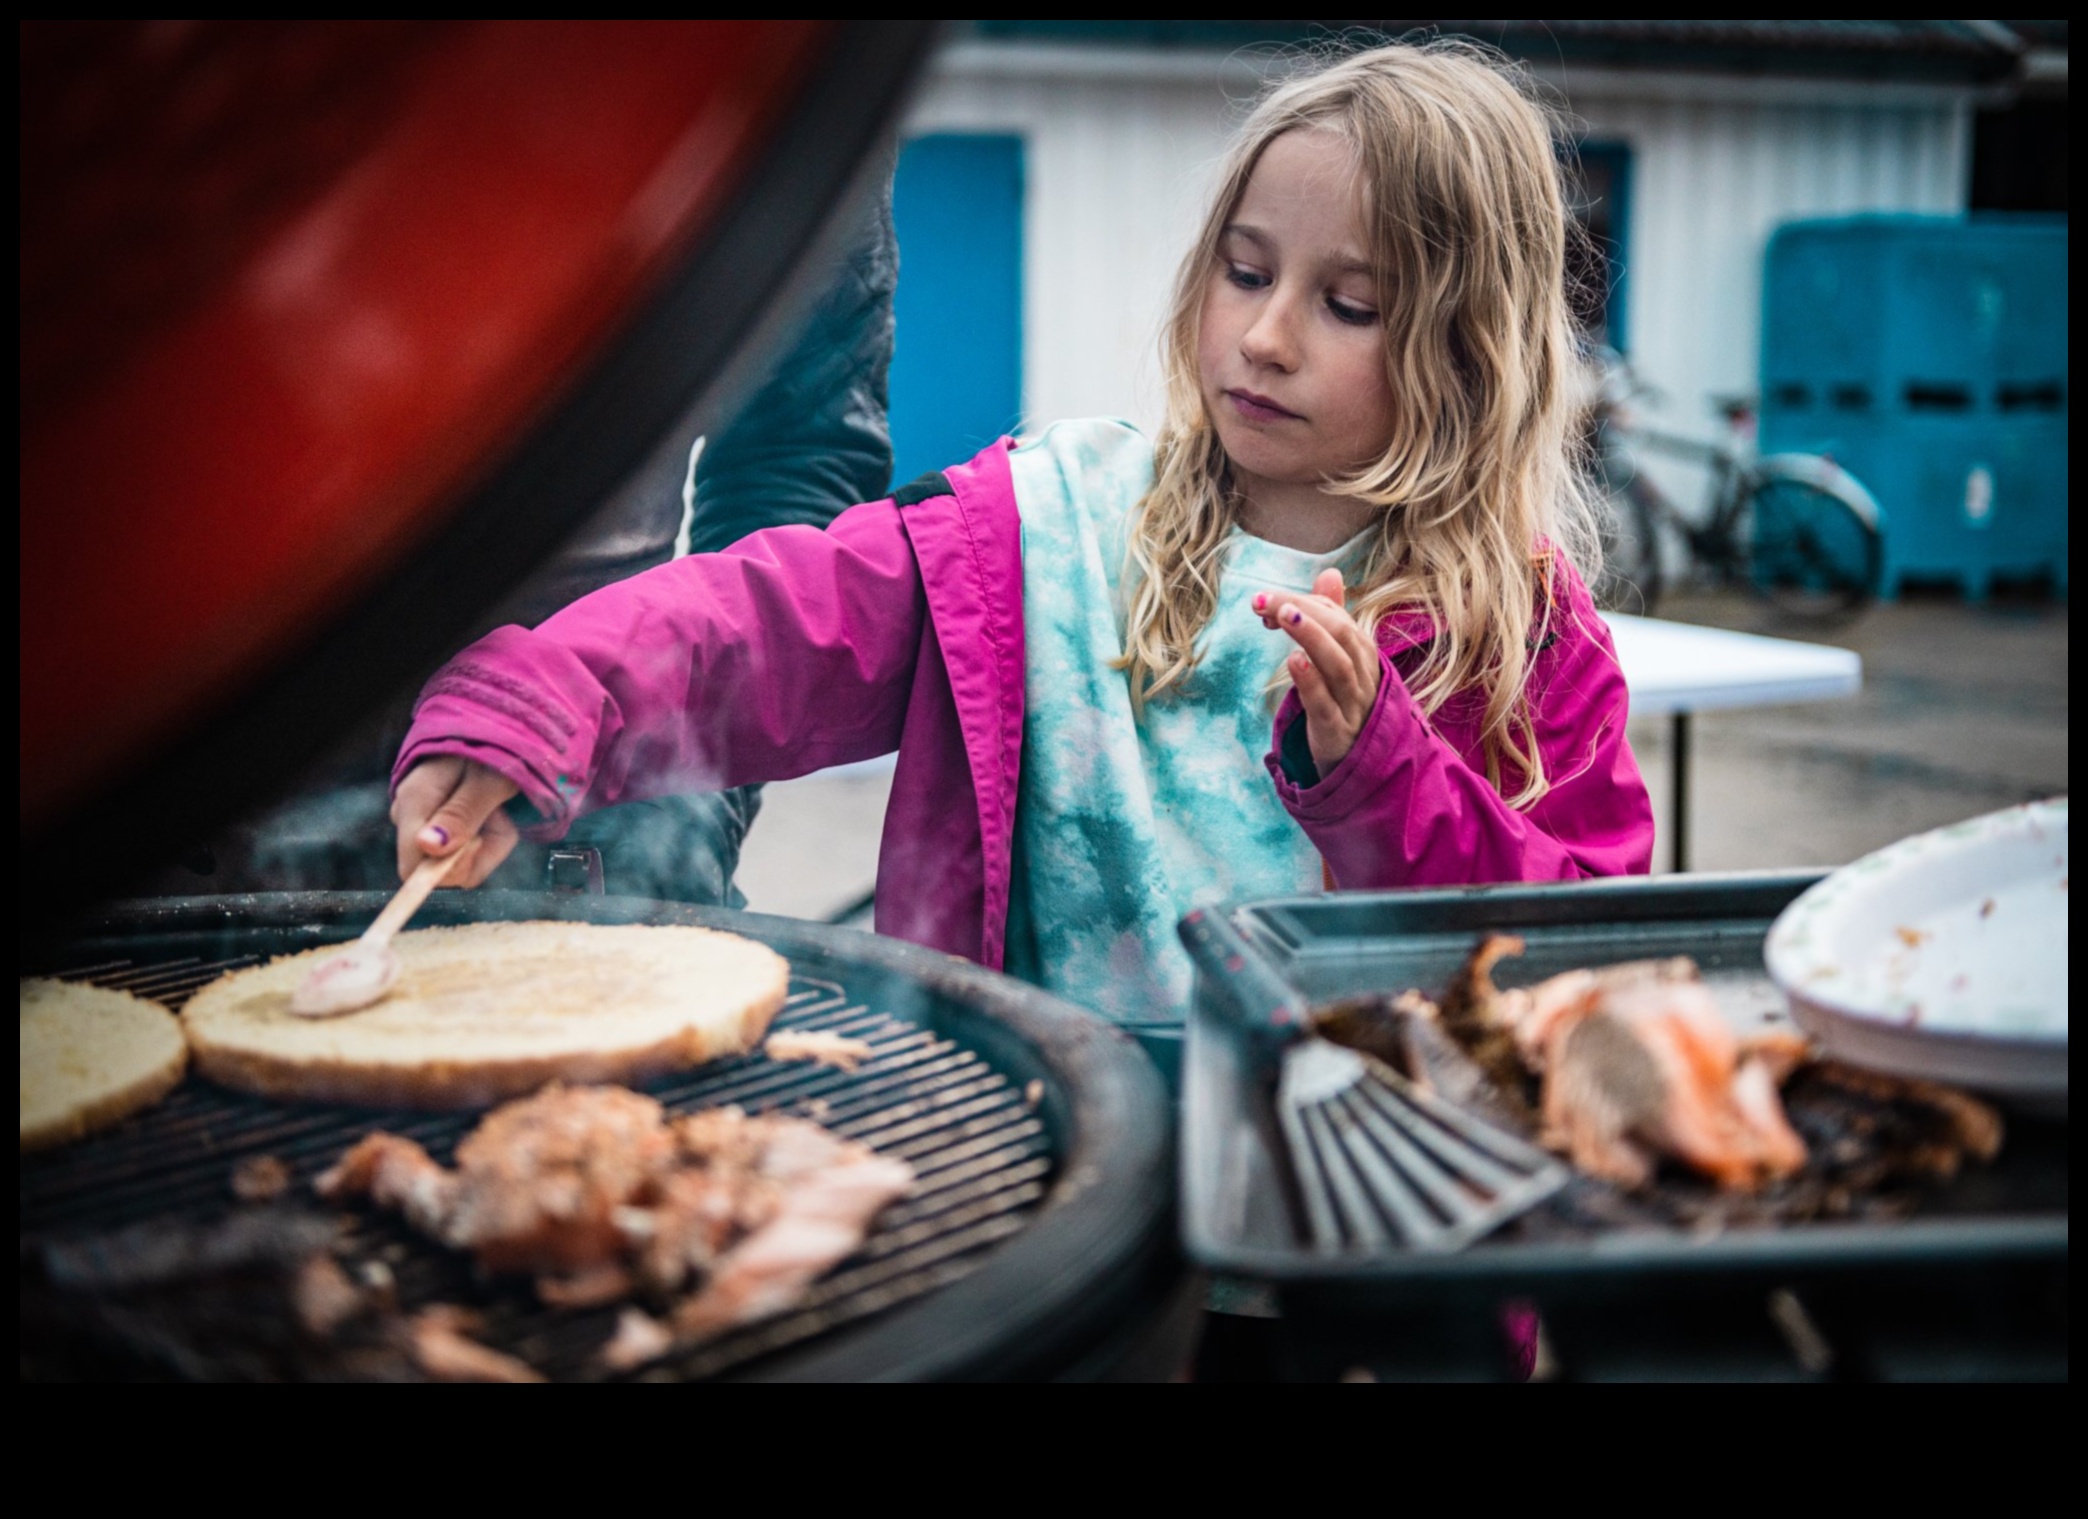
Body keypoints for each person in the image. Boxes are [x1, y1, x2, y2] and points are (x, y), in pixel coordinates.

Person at [387, 42, 1654, 1023]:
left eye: (1351, 302)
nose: (1266, 338)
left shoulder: (1529, 637)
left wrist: (1382, 779)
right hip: (1044, 1177)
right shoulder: (1045, 531)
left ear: (1472, 352)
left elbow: (1574, 958)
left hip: (1352, 1250)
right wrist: (549, 691)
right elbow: (776, 620)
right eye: (1247, 272)